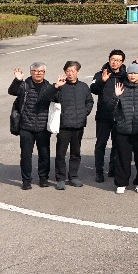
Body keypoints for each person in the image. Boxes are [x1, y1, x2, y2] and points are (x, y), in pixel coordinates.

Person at [8, 62, 58, 190]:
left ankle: (43, 178)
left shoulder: (48, 86)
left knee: (44, 155)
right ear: (31, 72)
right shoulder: (24, 85)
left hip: (43, 128)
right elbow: (12, 91)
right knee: (26, 156)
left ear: (44, 73)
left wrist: (57, 87)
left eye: (40, 71)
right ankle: (26, 181)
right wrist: (17, 80)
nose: (38, 73)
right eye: (35, 71)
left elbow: (57, 99)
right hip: (26, 127)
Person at [111, 62, 138, 195]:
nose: (132, 75)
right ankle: (121, 183)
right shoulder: (120, 88)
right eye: (130, 73)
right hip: (123, 129)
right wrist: (116, 96)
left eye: (135, 73)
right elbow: (111, 108)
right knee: (122, 158)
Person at [53, 60, 93, 190]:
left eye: (73, 71)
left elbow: (89, 101)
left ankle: (73, 176)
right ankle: (60, 178)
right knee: (61, 153)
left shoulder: (83, 86)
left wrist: (84, 113)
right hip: (63, 125)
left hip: (78, 125)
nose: (70, 73)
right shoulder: (60, 86)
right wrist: (56, 87)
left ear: (78, 72)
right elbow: (49, 99)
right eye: (68, 71)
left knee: (75, 153)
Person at [89, 50, 126, 183]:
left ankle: (113, 169)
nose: (115, 62)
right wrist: (102, 81)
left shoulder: (125, 76)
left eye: (118, 60)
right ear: (109, 59)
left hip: (119, 116)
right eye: (113, 59)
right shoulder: (100, 74)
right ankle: (99, 171)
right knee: (101, 145)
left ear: (122, 62)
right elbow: (93, 89)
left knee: (117, 144)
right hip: (103, 116)